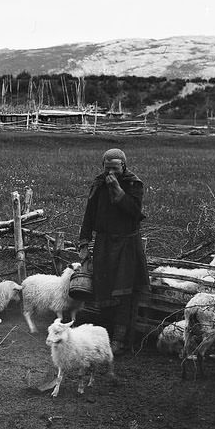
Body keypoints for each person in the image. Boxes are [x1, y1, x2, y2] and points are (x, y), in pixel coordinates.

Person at [77, 148, 150, 352]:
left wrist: (118, 191)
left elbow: (135, 212)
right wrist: (84, 241)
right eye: (107, 168)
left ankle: (119, 339)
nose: (111, 173)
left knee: (124, 291)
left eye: (115, 169)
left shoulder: (134, 184)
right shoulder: (98, 184)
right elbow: (89, 214)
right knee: (104, 289)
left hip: (127, 245)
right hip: (104, 244)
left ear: (123, 166)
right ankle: (104, 336)